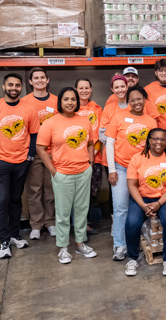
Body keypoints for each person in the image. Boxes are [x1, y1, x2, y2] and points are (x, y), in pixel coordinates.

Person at [0, 73, 39, 258]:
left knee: (15, 199)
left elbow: (34, 134)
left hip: (22, 162)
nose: (14, 88)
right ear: (4, 87)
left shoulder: (29, 109)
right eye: (10, 85)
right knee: (1, 200)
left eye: (17, 85)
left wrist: (29, 156)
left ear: (21, 88)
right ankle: (3, 241)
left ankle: (14, 235)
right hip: (0, 163)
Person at [36, 87, 97, 264]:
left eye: (73, 99)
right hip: (62, 174)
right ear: (60, 102)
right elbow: (41, 148)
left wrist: (90, 164)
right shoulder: (50, 123)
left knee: (81, 210)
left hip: (83, 172)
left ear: (77, 102)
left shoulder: (85, 121)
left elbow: (91, 143)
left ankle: (80, 244)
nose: (70, 102)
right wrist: (53, 171)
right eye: (66, 99)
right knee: (62, 213)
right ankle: (63, 248)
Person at [105, 85, 157, 261]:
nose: (136, 102)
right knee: (120, 208)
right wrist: (112, 169)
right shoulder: (118, 118)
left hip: (142, 171)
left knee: (143, 207)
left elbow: (153, 149)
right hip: (120, 168)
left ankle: (142, 240)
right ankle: (119, 245)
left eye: (139, 98)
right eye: (132, 99)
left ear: (145, 99)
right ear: (128, 101)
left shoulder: (151, 121)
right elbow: (110, 143)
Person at [125, 128, 166, 277]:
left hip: (164, 198)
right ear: (149, 140)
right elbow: (132, 185)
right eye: (155, 138)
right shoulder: (137, 158)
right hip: (142, 197)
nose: (159, 142)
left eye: (162, 139)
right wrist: (143, 205)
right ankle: (132, 258)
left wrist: (159, 203)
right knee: (131, 223)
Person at [22, 67, 58, 240]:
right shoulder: (25, 102)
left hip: (53, 153)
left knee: (51, 189)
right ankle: (36, 224)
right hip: (34, 151)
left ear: (47, 80)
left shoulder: (56, 101)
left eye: (42, 77)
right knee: (34, 189)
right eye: (35, 78)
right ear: (30, 82)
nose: (39, 80)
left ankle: (50, 222)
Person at [75, 78, 103, 234]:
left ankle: (88, 223)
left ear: (91, 90)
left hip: (94, 158)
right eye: (81, 88)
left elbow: (101, 133)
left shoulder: (97, 109)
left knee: (92, 192)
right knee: (78, 194)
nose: (84, 90)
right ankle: (81, 225)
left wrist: (93, 152)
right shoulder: (71, 107)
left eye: (87, 87)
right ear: (76, 90)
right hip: (76, 158)